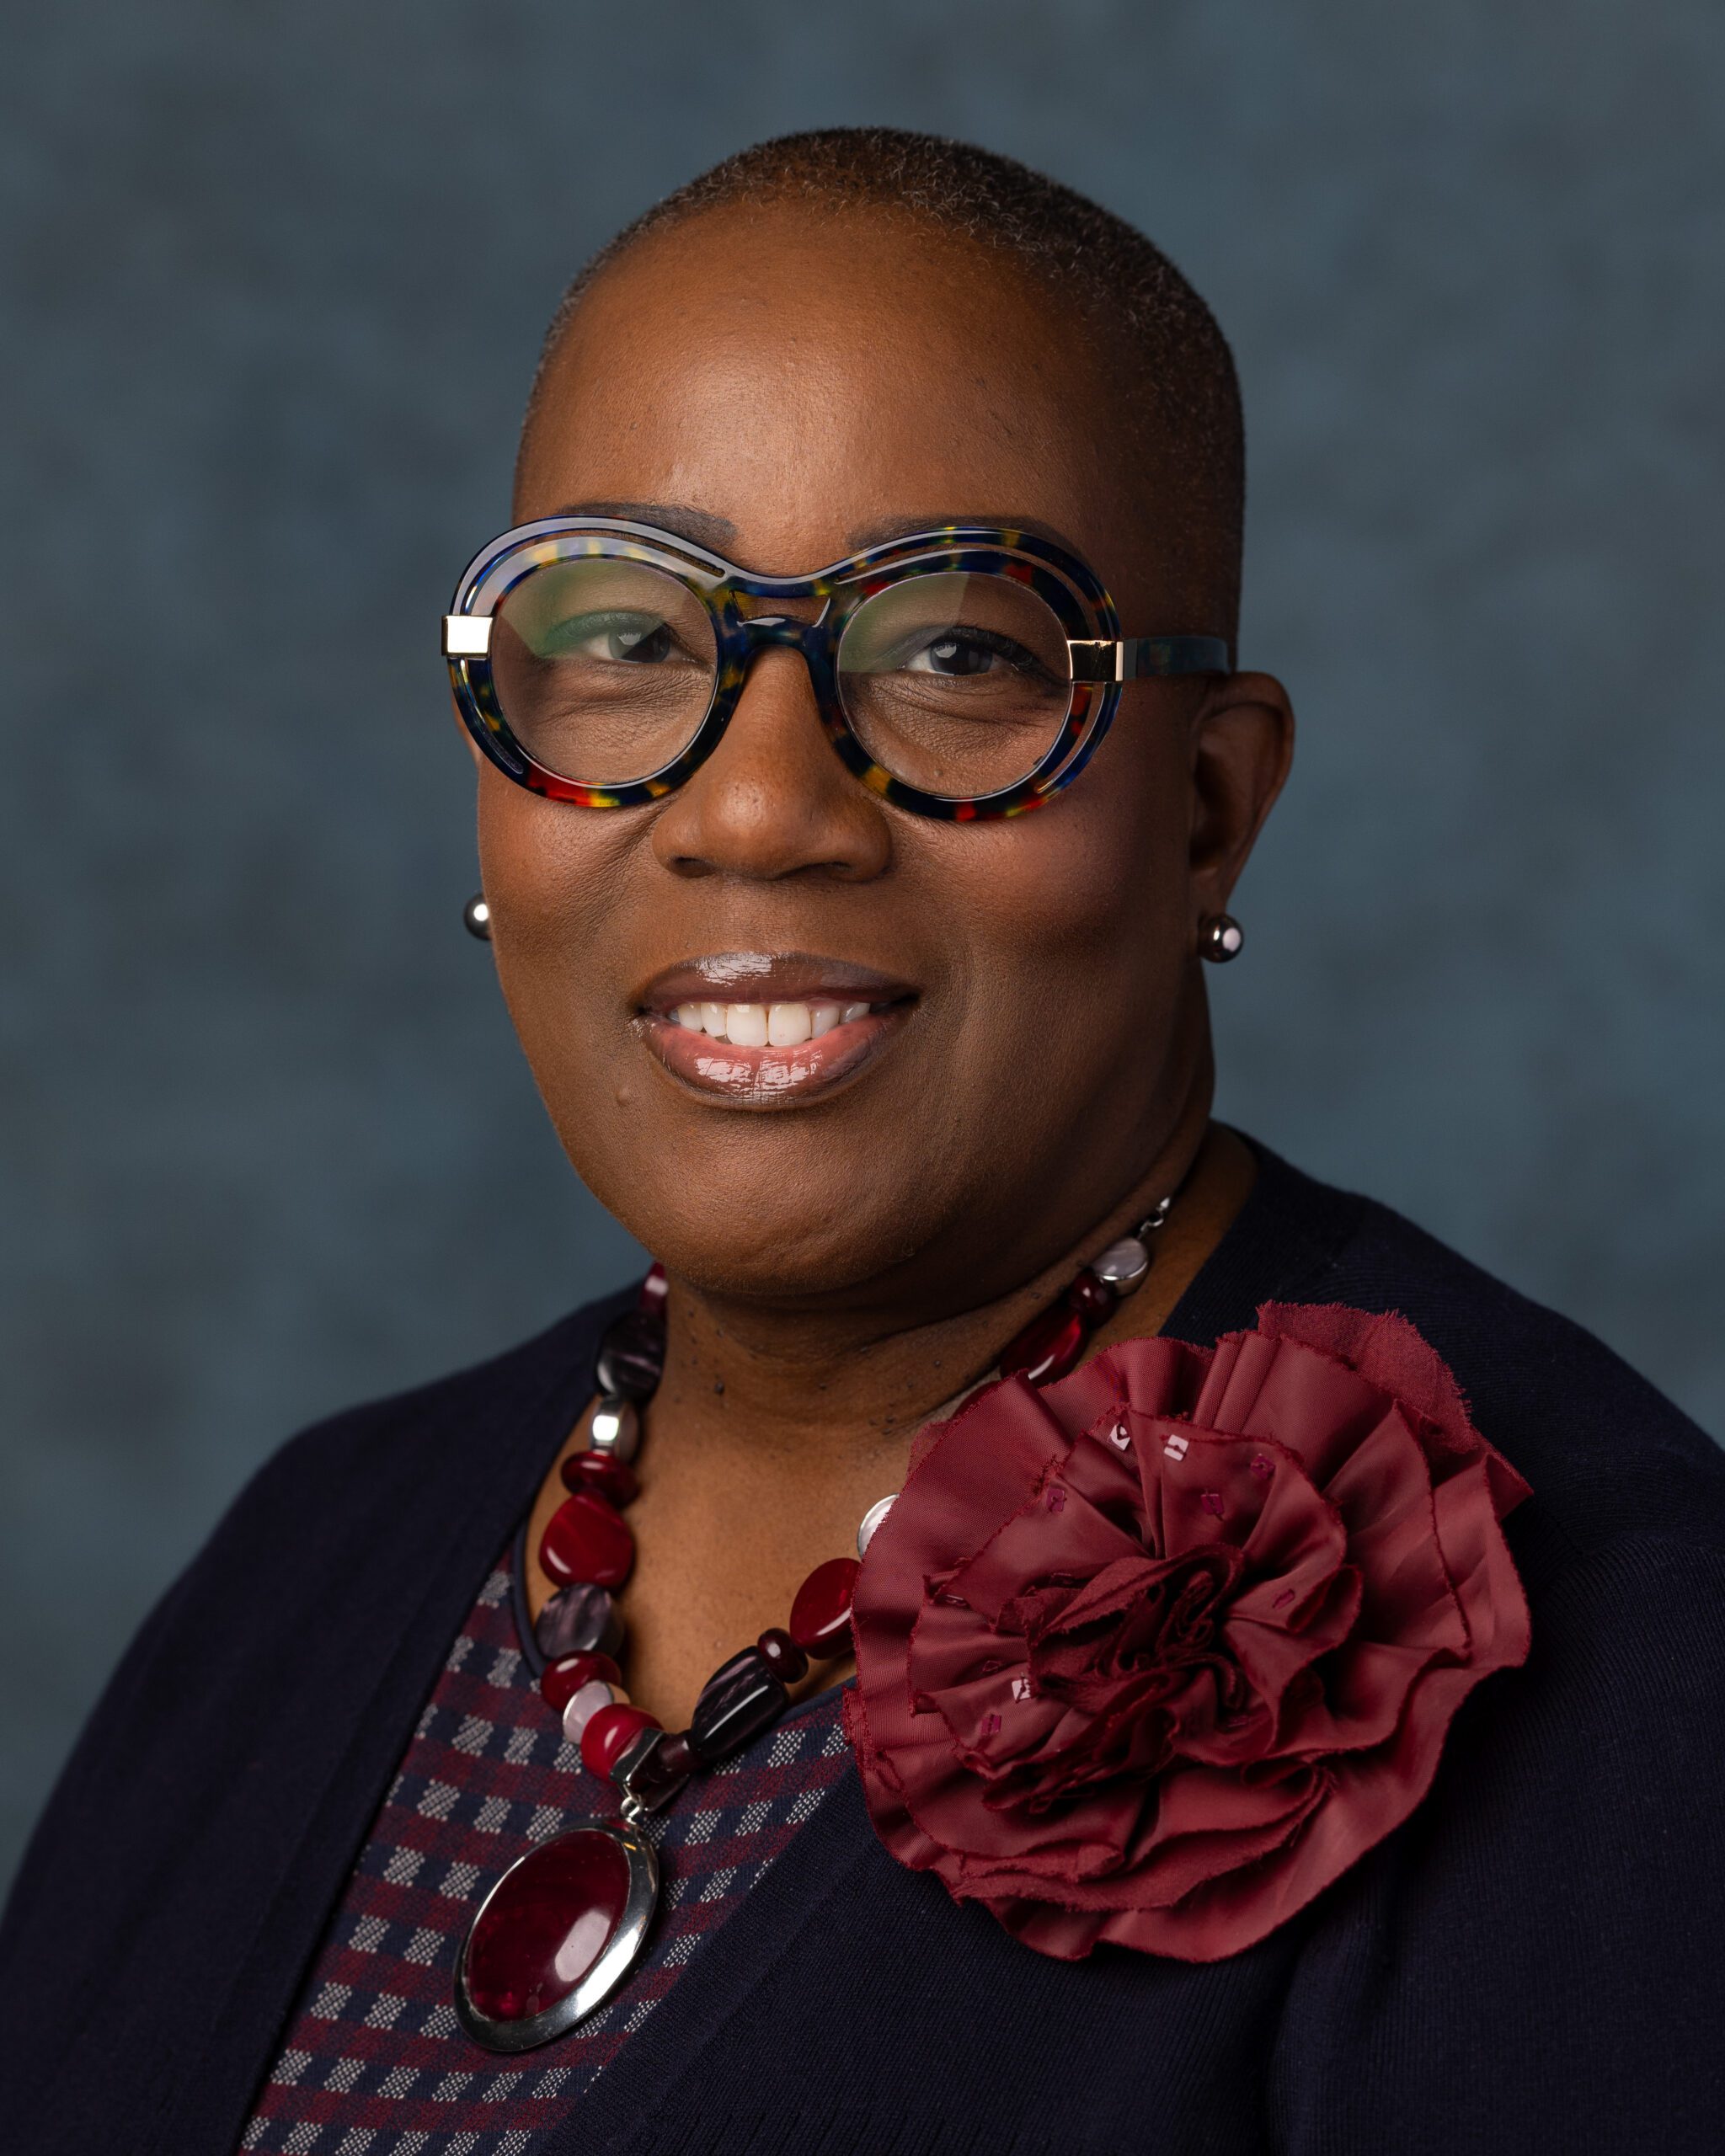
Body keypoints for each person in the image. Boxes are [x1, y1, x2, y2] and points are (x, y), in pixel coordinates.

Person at [3, 128, 1722, 2156]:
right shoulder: (312, 1550)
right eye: (628, 638)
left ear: (1204, 813)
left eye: (955, 654)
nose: (755, 810)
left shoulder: (1620, 1668)